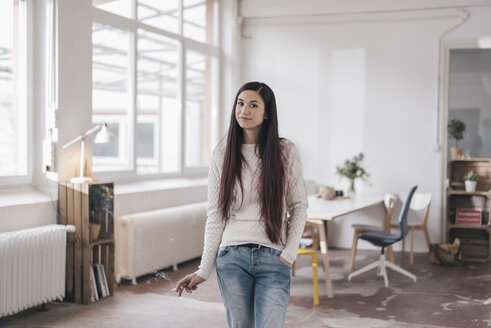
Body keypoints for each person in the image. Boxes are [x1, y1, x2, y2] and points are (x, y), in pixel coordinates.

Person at [175, 81, 308, 328]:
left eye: (253, 105)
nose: (244, 110)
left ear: (267, 113)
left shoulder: (285, 151)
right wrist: (203, 270)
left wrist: (289, 255)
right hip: (232, 257)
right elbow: (215, 214)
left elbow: (299, 205)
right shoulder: (222, 154)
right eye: (240, 103)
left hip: (274, 256)